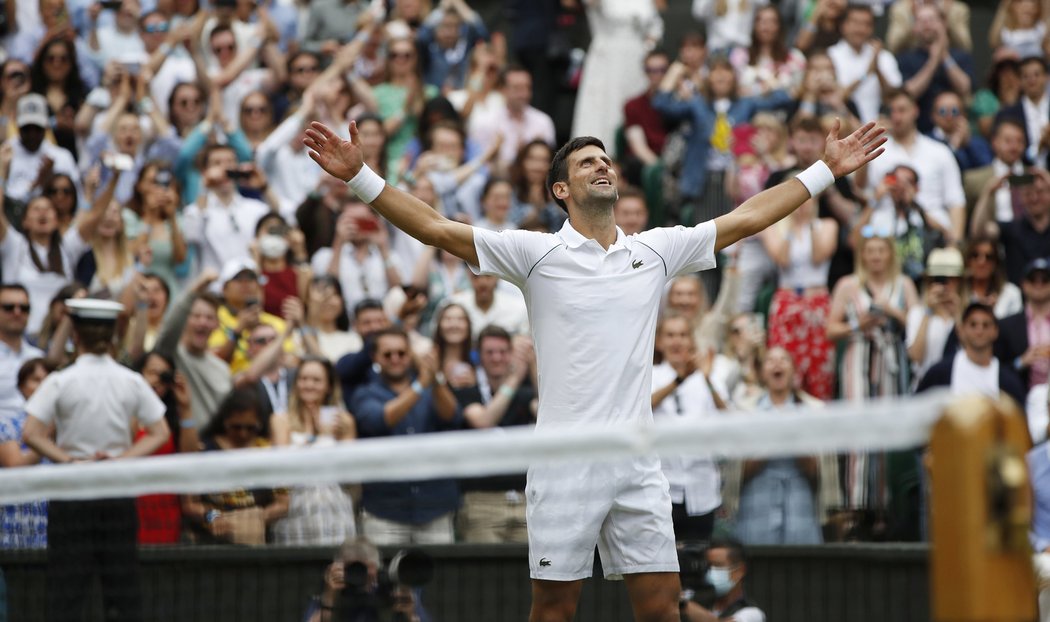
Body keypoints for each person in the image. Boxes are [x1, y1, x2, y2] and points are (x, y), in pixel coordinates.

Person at [304, 100, 884, 619]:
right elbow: (434, 227)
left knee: (662, 611)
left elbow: (748, 217)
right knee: (554, 611)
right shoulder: (534, 252)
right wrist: (359, 174)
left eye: (606, 160)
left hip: (637, 462)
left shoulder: (656, 250)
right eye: (586, 164)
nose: (603, 166)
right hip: (564, 464)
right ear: (561, 190)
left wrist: (824, 170)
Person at [21, 298, 170, 622]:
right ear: (114, 333)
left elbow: (31, 433)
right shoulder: (130, 380)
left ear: (75, 333)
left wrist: (71, 462)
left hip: (73, 494)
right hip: (115, 493)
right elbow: (160, 431)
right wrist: (118, 461)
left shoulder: (61, 380)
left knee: (66, 593)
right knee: (124, 592)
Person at [350, 327, 463, 545]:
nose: (395, 359)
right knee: (384, 577)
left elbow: (452, 416)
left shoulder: (432, 388)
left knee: (440, 577)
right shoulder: (365, 393)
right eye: (388, 354)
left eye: (401, 353)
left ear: (410, 354)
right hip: (385, 508)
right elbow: (380, 419)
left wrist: (436, 379)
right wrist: (421, 383)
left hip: (434, 506)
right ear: (375, 357)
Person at [733, 347, 825, 545]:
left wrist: (793, 441)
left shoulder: (813, 410)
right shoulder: (744, 411)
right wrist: (773, 441)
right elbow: (738, 472)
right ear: (762, 372)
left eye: (783, 359)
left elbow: (818, 473)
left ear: (793, 370)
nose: (777, 364)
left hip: (800, 501)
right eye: (770, 360)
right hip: (756, 500)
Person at [454, 325, 537, 544]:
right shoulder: (466, 390)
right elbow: (483, 421)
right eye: (490, 352)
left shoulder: (525, 392)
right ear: (479, 356)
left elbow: (547, 410)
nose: (497, 358)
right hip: (481, 502)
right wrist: (514, 379)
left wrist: (532, 365)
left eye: (502, 351)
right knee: (483, 575)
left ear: (510, 354)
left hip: (524, 500)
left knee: (530, 574)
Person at [650, 314, 724, 542]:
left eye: (683, 335)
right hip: (662, 489)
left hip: (702, 490)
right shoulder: (650, 375)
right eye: (670, 335)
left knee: (699, 562)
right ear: (659, 342)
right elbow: (644, 406)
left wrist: (708, 378)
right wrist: (679, 379)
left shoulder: (707, 377)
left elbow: (728, 415)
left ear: (691, 341)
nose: (677, 341)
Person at [270, 356, 358, 546]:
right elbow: (280, 470)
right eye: (303, 379)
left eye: (316, 380)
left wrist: (341, 439)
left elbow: (350, 476)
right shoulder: (281, 420)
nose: (308, 385)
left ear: (328, 386)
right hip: (295, 507)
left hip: (334, 507)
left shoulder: (343, 420)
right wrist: (317, 437)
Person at [0, 358, 51, 550]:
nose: (43, 386)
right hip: (18, 522)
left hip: (56, 524)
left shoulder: (67, 425)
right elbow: (15, 464)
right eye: (35, 380)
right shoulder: (7, 424)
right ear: (22, 387)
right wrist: (43, 437)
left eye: (48, 380)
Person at [827, 5, 902, 124]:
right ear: (843, 26)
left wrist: (877, 70)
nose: (861, 29)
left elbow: (896, 97)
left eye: (867, 24)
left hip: (881, 126)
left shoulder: (883, 57)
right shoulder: (830, 55)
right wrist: (865, 75)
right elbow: (835, 97)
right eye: (855, 23)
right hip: (843, 126)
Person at [680, 537, 766, 622]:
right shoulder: (695, 598)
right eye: (709, 566)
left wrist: (683, 605)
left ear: (740, 570)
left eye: (718, 565)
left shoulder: (752, 614)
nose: (711, 571)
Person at [995, 258, 1050, 389]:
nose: (1039, 284)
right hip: (1020, 398)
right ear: (1023, 284)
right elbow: (994, 368)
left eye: (1045, 280)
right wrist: (1021, 362)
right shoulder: (1006, 325)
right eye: (1033, 280)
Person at [0, 285, 45, 423]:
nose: (17, 313)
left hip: (33, 435)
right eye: (9, 307)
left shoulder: (38, 357)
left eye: (24, 308)